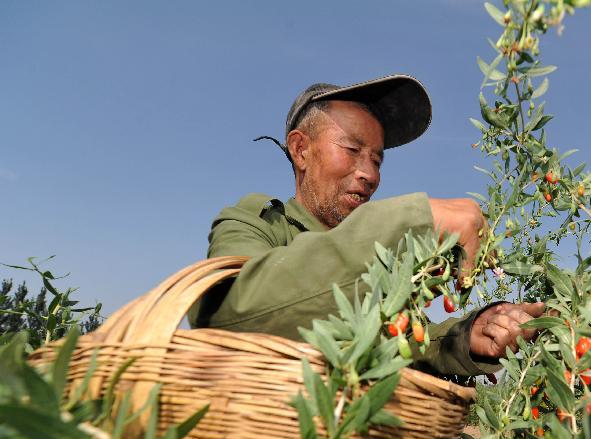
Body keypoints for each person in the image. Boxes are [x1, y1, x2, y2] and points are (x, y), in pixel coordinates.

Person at [189, 75, 545, 376]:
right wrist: (408, 221)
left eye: (377, 160)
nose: (370, 174)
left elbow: (403, 345)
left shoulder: (390, 262)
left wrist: (467, 338)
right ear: (301, 150)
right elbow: (227, 314)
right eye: (352, 149)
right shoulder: (253, 225)